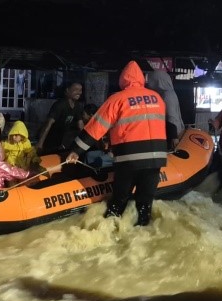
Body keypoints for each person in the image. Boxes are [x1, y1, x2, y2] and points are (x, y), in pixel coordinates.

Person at [65, 61, 167, 226]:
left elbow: (96, 127)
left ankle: (111, 234)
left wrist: (76, 150)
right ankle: (143, 236)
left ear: (123, 79)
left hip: (129, 158)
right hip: (155, 159)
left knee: (119, 201)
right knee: (145, 203)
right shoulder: (157, 98)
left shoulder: (118, 99)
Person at [36, 81, 85, 155]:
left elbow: (80, 125)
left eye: (80, 90)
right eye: (76, 89)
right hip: (49, 140)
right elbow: (48, 124)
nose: (79, 92)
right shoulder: (60, 105)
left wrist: (85, 141)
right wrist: (40, 143)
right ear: (67, 90)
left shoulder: (77, 106)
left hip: (61, 141)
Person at [146, 69, 185, 151]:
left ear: (158, 81)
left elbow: (171, 116)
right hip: (175, 131)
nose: (149, 84)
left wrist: (174, 137)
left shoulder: (167, 95)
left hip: (174, 133)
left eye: (152, 81)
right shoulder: (169, 93)